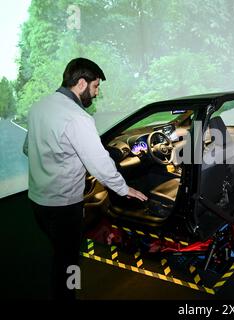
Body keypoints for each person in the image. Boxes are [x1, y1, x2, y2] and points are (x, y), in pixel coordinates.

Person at [23, 58, 148, 300]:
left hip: (37, 201)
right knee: (69, 259)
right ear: (81, 83)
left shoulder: (38, 107)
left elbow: (28, 148)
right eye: (96, 86)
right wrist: (124, 189)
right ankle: (68, 296)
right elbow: (99, 162)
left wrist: (57, 158)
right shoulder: (78, 117)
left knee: (60, 253)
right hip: (64, 206)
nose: (97, 92)